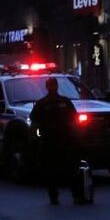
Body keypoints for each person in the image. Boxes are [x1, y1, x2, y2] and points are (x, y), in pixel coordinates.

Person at [29, 77, 78, 205]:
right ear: (47, 87)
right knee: (50, 171)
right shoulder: (42, 104)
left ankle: (76, 194)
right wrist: (35, 138)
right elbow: (34, 123)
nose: (52, 87)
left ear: (56, 86)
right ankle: (53, 195)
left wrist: (74, 135)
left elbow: (74, 119)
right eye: (50, 85)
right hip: (49, 141)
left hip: (65, 140)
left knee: (70, 169)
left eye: (54, 85)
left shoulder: (65, 102)